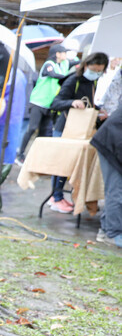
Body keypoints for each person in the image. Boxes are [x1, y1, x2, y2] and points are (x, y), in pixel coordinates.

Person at [49, 52, 109, 214]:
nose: (96, 73)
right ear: (85, 66)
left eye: (99, 71)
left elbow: (89, 103)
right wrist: (72, 102)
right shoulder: (72, 80)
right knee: (61, 165)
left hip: (81, 131)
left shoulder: (93, 82)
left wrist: (98, 111)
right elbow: (55, 103)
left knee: (70, 165)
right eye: (94, 70)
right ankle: (56, 197)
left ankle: (59, 197)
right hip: (65, 128)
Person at [16, 44, 69, 164]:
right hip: (38, 102)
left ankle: (36, 157)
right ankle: (20, 154)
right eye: (64, 52)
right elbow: (53, 75)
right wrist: (66, 78)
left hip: (49, 104)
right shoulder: (49, 64)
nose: (66, 55)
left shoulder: (61, 65)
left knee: (43, 133)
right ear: (57, 54)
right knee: (32, 128)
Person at [90, 96, 122, 247]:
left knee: (115, 190)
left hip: (114, 141)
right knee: (116, 190)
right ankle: (113, 234)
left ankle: (105, 229)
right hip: (111, 143)